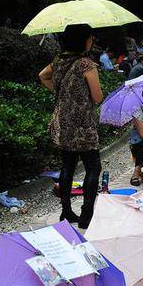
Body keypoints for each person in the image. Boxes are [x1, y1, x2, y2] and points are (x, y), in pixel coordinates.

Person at [38, 24, 103, 229]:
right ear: (82, 40)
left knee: (67, 167)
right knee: (93, 167)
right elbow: (97, 97)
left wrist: (60, 93)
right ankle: (86, 215)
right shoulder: (86, 64)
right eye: (90, 37)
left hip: (63, 124)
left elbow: (42, 76)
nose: (92, 40)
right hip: (83, 125)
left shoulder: (58, 62)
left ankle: (66, 212)